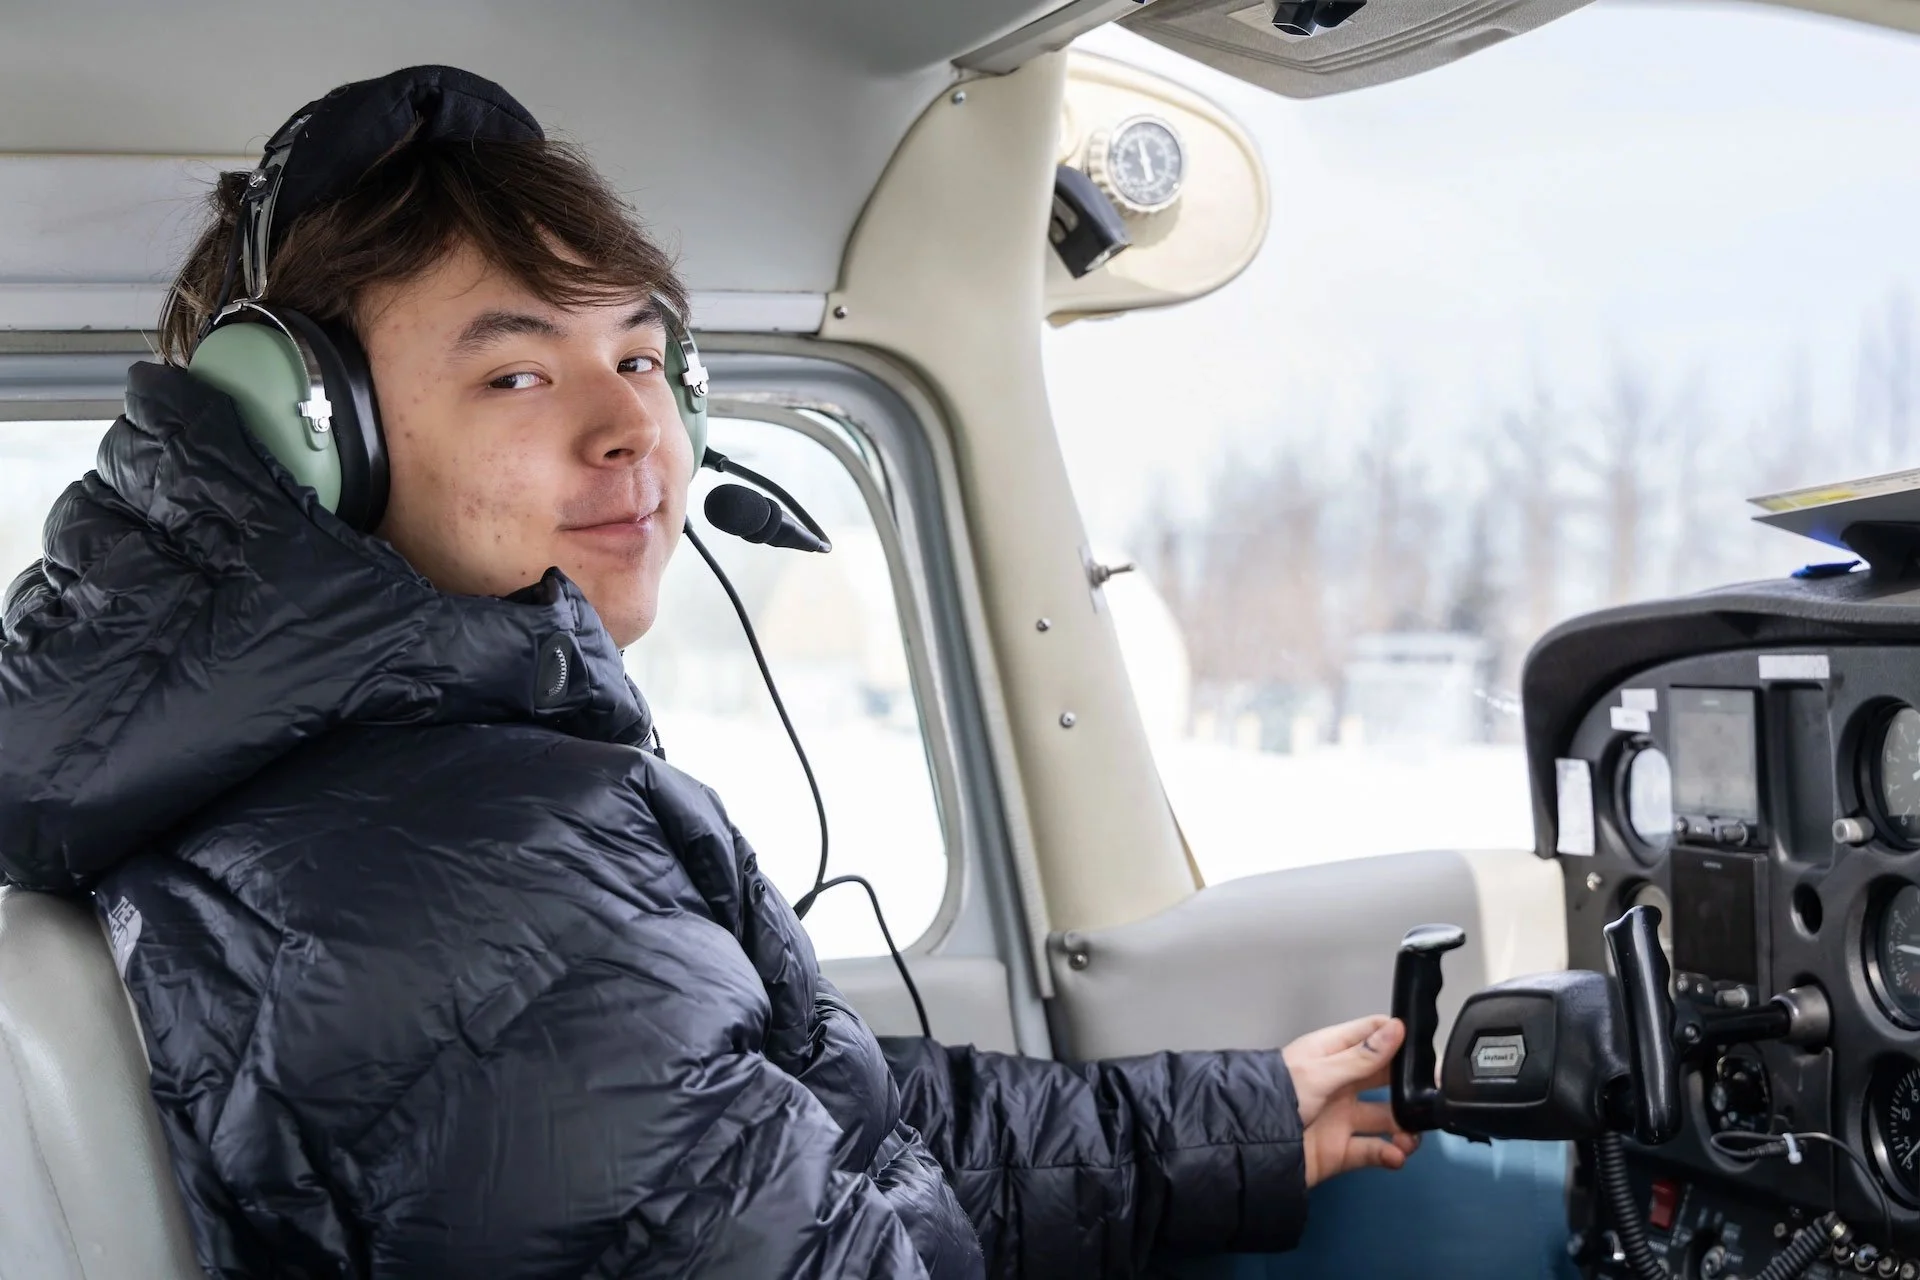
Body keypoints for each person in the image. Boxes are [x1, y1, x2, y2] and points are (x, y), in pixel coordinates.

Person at [0, 67, 1416, 1279]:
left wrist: (1230, 1125)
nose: (634, 427)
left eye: (641, 355)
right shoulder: (468, 896)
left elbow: (809, 1134)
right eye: (516, 373)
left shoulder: (401, 801)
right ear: (309, 441)